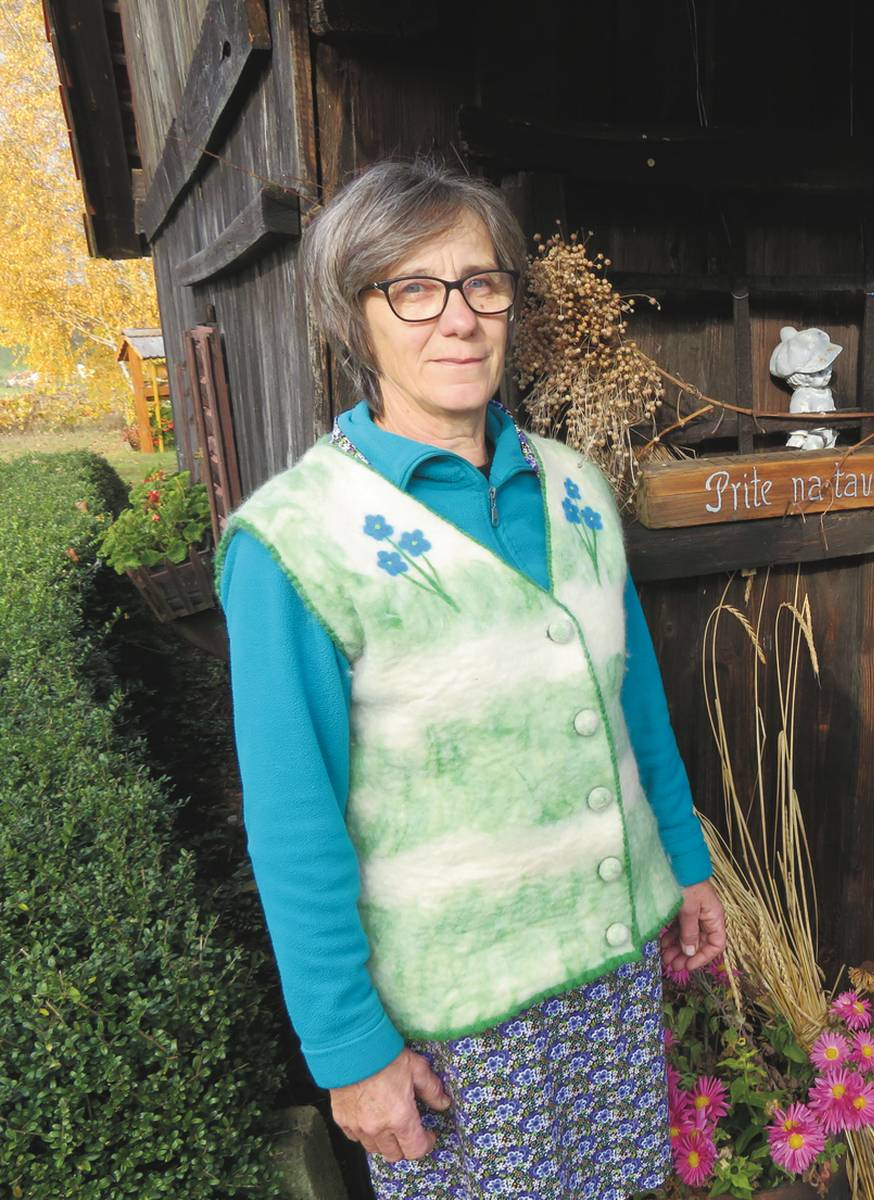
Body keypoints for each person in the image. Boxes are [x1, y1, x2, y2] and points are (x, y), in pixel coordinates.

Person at [220, 159, 725, 1199]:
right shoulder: (292, 543)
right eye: (413, 289)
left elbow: (632, 701)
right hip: (458, 1026)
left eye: (481, 283)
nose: (457, 319)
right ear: (353, 318)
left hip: (605, 973)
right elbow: (291, 818)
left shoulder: (575, 488)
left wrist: (683, 863)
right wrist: (351, 1052)